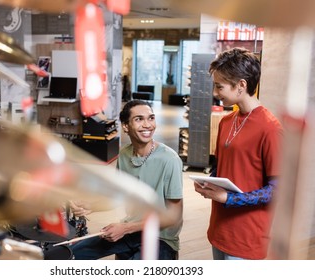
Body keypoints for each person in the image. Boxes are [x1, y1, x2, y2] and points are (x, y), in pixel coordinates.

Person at [194, 47, 283, 260]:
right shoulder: (226, 122)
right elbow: (222, 167)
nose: (215, 93)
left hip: (247, 237)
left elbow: (277, 190)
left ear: (241, 85)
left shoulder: (270, 128)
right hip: (219, 229)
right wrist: (208, 183)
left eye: (219, 86)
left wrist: (229, 198)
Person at [68, 100, 184, 260]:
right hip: (131, 229)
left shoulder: (169, 159)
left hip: (160, 238)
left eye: (151, 118)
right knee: (71, 253)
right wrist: (90, 206)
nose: (147, 125)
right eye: (139, 119)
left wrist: (126, 228)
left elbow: (173, 216)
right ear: (125, 126)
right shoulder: (124, 155)